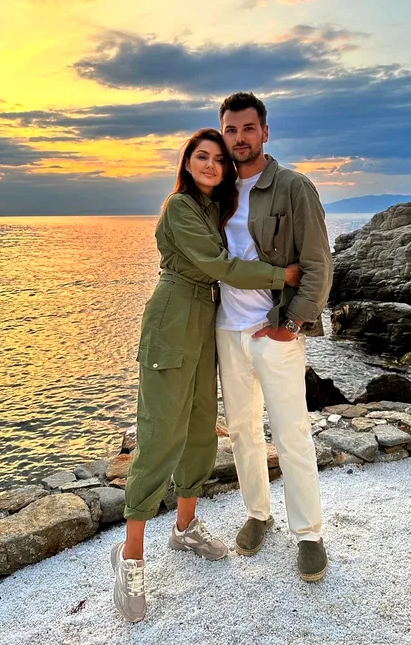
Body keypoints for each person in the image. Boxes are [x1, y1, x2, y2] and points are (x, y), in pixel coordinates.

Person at [111, 128, 302, 623]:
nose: (212, 164)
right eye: (203, 156)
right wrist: (280, 276)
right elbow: (219, 264)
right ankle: (130, 556)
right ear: (187, 161)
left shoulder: (214, 208)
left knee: (199, 429)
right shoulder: (179, 207)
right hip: (174, 318)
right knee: (160, 434)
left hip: (205, 320)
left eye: (219, 158)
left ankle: (185, 527)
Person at [216, 92, 334, 582]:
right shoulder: (216, 190)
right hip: (227, 329)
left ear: (265, 132)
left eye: (248, 128)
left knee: (291, 432)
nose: (239, 138)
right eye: (231, 129)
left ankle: (308, 534)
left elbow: (318, 264)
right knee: (243, 430)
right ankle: (258, 513)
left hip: (274, 330)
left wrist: (291, 326)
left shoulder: (292, 186)